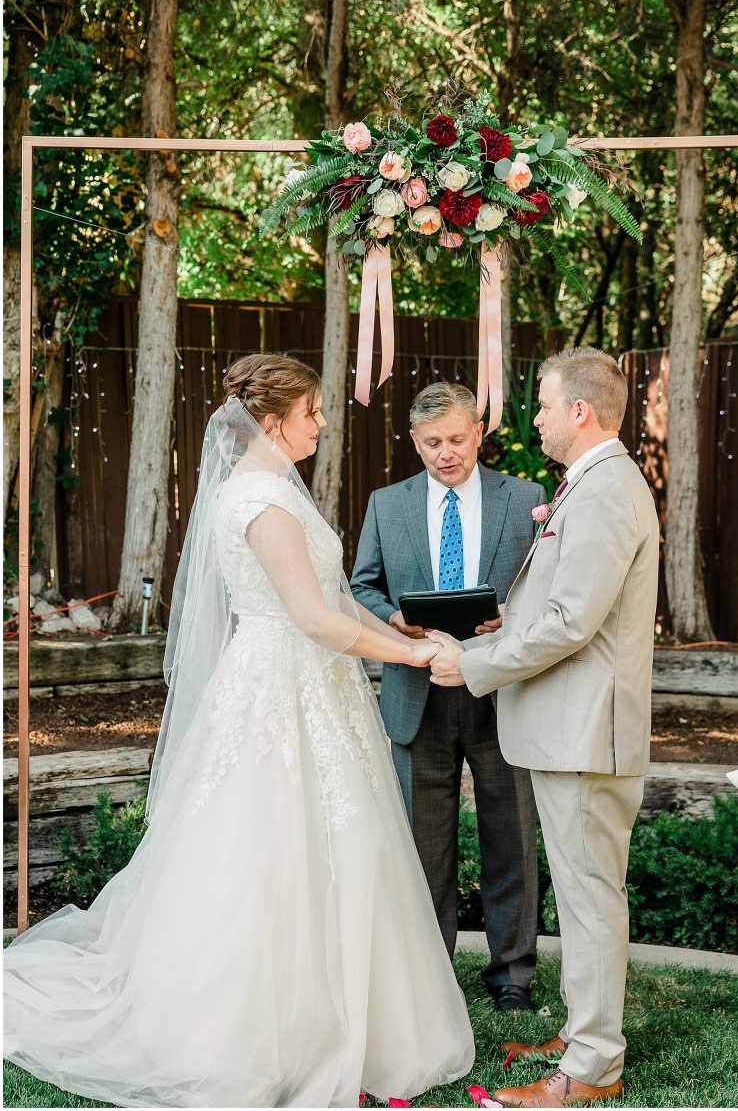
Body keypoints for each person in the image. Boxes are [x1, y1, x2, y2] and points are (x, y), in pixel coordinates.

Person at [4, 354, 475, 1108]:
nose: (322, 423)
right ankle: (258, 1030)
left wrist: (401, 631)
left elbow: (335, 599)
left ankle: (353, 1015)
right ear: (270, 421)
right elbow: (312, 617)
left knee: (341, 847)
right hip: (277, 691)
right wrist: (415, 655)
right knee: (266, 852)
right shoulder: (259, 501)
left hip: (317, 689)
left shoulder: (277, 491)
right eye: (313, 412)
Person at [429, 348, 659, 1108]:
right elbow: (561, 604)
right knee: (585, 893)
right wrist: (508, 622)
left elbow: (572, 624)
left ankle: (591, 1068)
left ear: (581, 413)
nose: (537, 418)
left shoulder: (603, 491)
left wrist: (477, 661)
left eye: (546, 406)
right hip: (572, 729)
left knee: (591, 900)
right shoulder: (593, 484)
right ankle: (582, 1032)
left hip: (587, 732)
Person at [351, 382, 544, 1011]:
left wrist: (510, 615)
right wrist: (397, 625)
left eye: (457, 439)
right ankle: (429, 972)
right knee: (423, 846)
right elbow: (363, 587)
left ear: (478, 433)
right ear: (414, 441)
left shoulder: (527, 499)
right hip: (418, 692)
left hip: (502, 692)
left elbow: (546, 591)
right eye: (432, 443)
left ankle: (512, 973)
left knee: (510, 837)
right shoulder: (387, 504)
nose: (446, 454)